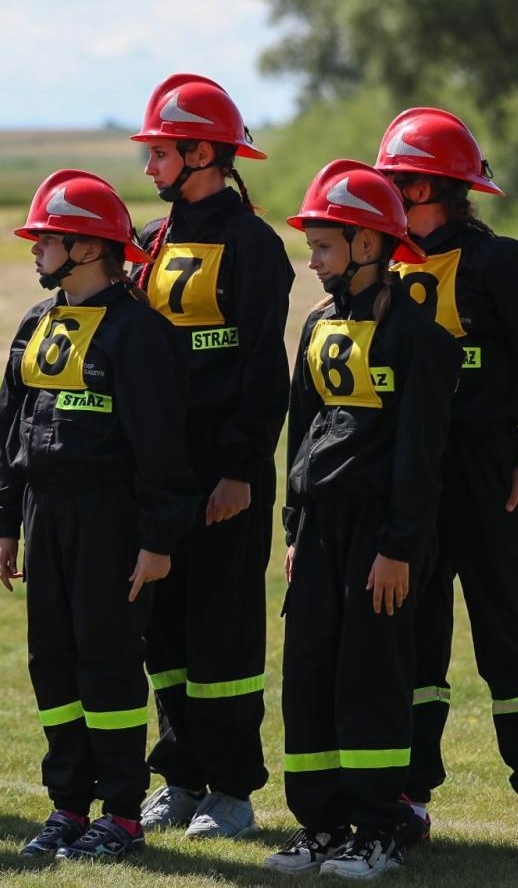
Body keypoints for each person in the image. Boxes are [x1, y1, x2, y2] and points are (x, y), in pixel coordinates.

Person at [375, 107, 518, 865]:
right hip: (406, 479)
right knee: (411, 640)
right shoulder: (383, 264)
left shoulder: (499, 265)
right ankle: (408, 800)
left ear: (437, 187)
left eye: (402, 181)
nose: (391, 192)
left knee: (512, 639)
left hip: (487, 477)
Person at [0, 170, 199, 864]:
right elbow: (10, 427)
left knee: (108, 662)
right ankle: (68, 806)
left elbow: (162, 446)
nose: (35, 248)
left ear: (86, 247)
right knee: (52, 662)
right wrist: (7, 523)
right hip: (45, 517)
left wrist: (157, 539)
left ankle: (122, 814)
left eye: (46, 238)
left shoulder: (139, 332)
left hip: (111, 521)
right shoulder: (36, 323)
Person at [266, 162, 460, 879]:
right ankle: (320, 826)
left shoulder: (420, 339)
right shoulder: (318, 325)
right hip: (320, 530)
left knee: (370, 678)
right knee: (310, 672)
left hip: (382, 537)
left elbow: (420, 454)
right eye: (311, 246)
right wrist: (294, 530)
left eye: (324, 246)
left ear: (369, 244)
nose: (313, 261)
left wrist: (399, 546)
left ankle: (378, 828)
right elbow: (301, 430)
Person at [130, 73, 294, 838]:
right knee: (161, 626)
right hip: (158, 472)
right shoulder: (151, 241)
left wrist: (237, 469)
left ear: (202, 154)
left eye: (160, 153)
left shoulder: (255, 245)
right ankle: (181, 778)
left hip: (225, 471)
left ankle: (231, 790)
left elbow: (264, 371)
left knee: (222, 628)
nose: (149, 167)